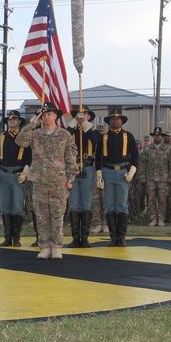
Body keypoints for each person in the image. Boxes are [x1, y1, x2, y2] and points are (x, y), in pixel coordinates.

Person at [15, 102, 78, 259]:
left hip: (58, 181)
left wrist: (71, 178)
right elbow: (20, 141)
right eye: (43, 114)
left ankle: (56, 246)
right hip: (40, 181)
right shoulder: (36, 134)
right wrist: (31, 124)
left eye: (49, 114)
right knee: (42, 215)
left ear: (55, 116)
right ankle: (45, 246)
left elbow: (70, 158)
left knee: (57, 214)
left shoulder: (64, 135)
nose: (46, 117)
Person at [97, 108, 139, 246]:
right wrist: (99, 175)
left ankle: (121, 237)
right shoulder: (103, 137)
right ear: (109, 121)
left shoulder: (129, 136)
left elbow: (135, 157)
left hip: (123, 173)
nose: (116, 120)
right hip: (108, 171)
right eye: (113, 118)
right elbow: (98, 158)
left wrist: (131, 172)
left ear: (122, 121)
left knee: (121, 205)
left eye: (118, 118)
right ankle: (112, 236)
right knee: (110, 205)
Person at [0, 110, 31, 247]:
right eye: (9, 119)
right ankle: (7, 237)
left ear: (19, 121)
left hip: (18, 175)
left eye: (14, 119)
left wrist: (25, 172)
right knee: (6, 206)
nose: (11, 121)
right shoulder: (2, 137)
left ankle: (16, 237)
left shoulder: (25, 137)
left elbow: (29, 157)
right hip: (3, 174)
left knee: (17, 207)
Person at [66, 106, 101, 248]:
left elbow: (96, 140)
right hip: (72, 168)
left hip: (88, 167)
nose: (82, 117)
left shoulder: (93, 132)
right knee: (74, 203)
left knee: (86, 203)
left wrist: (85, 126)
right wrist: (74, 124)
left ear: (88, 117)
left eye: (85, 114)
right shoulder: (69, 132)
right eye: (79, 115)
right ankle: (75, 237)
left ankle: (85, 237)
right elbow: (63, 139)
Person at [142, 126, 171, 226]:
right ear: (153, 136)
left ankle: (161, 218)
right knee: (151, 199)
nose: (157, 137)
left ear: (162, 136)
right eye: (155, 135)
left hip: (163, 178)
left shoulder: (167, 148)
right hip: (150, 178)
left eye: (159, 135)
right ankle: (153, 218)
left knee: (162, 199)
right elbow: (142, 164)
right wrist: (142, 177)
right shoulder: (147, 149)